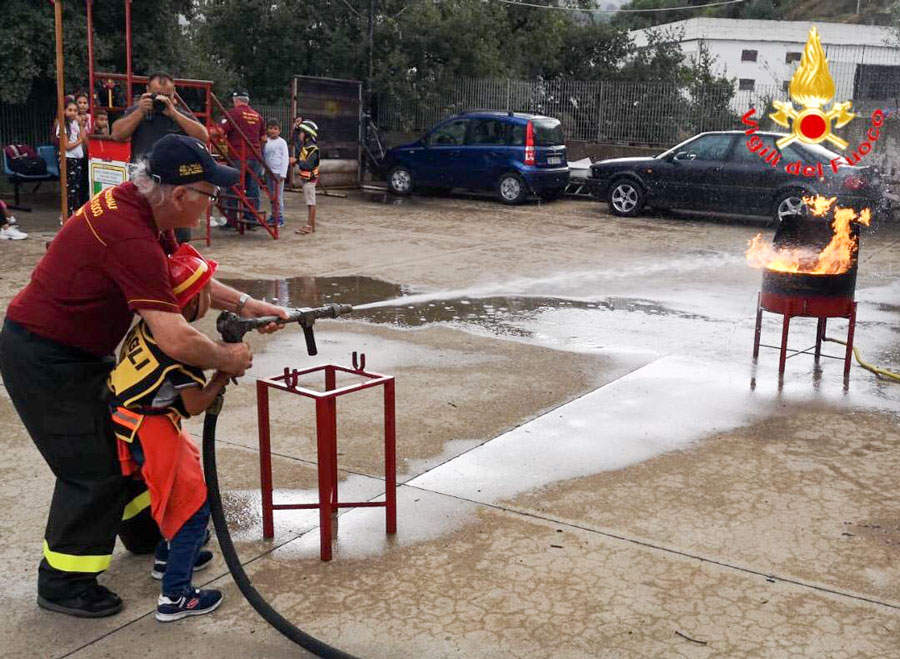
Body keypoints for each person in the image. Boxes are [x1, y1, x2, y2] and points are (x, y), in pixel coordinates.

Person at [0, 134, 288, 618]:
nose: (210, 205)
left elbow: (185, 278)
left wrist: (250, 305)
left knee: (122, 443)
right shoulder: (130, 236)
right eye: (208, 196)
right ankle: (63, 582)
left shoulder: (146, 212)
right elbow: (174, 336)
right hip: (42, 356)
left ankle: (144, 536)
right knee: (90, 469)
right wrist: (225, 359)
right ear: (179, 195)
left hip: (79, 351)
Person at [108, 243, 232, 622]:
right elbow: (194, 404)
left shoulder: (149, 328)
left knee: (173, 495)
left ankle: (170, 555)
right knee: (190, 508)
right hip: (153, 431)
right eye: (207, 292)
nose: (211, 299)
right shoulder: (180, 350)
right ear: (192, 302)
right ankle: (175, 596)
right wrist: (225, 370)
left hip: (132, 424)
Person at [111, 72, 209, 244]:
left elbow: (203, 136)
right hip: (144, 186)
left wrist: (174, 114)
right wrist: (141, 110)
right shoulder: (137, 112)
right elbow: (117, 134)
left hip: (174, 187)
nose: (161, 99)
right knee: (143, 233)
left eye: (167, 95)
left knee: (179, 237)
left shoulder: (179, 114)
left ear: (174, 93)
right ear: (147, 90)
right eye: (157, 94)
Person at [221, 90, 266, 229]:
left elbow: (221, 131)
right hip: (255, 156)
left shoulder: (233, 113)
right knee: (253, 188)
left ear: (236, 100)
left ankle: (232, 221)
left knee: (233, 187)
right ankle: (251, 220)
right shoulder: (258, 116)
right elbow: (263, 138)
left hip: (238, 156)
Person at [56, 99, 87, 217]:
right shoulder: (62, 125)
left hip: (77, 158)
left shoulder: (75, 124)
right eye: (70, 110)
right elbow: (67, 146)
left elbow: (83, 137)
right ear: (64, 111)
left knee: (76, 188)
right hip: (68, 159)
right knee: (69, 189)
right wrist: (79, 141)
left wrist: (81, 124)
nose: (73, 113)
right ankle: (66, 214)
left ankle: (73, 213)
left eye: (75, 110)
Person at [291, 120, 319, 235]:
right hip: (307, 179)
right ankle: (311, 225)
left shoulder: (312, 149)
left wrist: (296, 161)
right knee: (309, 202)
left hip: (310, 180)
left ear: (307, 134)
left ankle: (309, 226)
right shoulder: (306, 146)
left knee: (311, 203)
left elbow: (309, 165)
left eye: (301, 132)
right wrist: (296, 127)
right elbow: (295, 141)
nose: (300, 135)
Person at [263, 118, 288, 227]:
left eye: (275, 129)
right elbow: (264, 157)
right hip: (268, 172)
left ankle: (280, 218)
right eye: (271, 128)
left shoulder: (282, 142)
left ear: (279, 131)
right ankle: (273, 216)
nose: (273, 131)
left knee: (278, 196)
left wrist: (283, 174)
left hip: (278, 173)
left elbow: (285, 158)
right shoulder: (266, 142)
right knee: (271, 196)